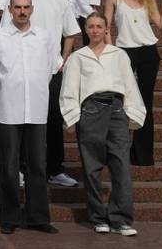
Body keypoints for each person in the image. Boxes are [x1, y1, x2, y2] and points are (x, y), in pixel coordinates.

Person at [60, 12, 146, 236]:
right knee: (91, 168)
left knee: (121, 166)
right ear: (86, 29)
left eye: (99, 26)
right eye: (91, 26)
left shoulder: (118, 55)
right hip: (91, 110)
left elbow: (129, 83)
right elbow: (69, 88)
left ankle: (121, 219)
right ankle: (99, 217)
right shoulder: (78, 57)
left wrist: (133, 112)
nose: (95, 30)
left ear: (107, 29)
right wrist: (73, 116)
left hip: (116, 109)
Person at [0, 0, 60, 235]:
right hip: (9, 109)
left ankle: (38, 217)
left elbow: (49, 69)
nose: (22, 11)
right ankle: (9, 217)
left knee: (37, 165)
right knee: (9, 166)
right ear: (10, 9)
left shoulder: (44, 36)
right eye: (17, 7)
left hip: (37, 108)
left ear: (32, 9)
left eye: (26, 7)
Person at [103, 0, 162, 166]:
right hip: (124, 51)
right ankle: (117, 150)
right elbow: (106, 27)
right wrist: (112, 51)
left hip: (148, 52)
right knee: (120, 101)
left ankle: (143, 155)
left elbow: (161, 24)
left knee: (145, 102)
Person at [18, 0, 81, 188]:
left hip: (53, 71)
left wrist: (62, 60)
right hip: (25, 71)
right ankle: (23, 169)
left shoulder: (59, 0)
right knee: (25, 121)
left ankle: (55, 169)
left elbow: (71, 33)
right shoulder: (18, 0)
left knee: (54, 120)